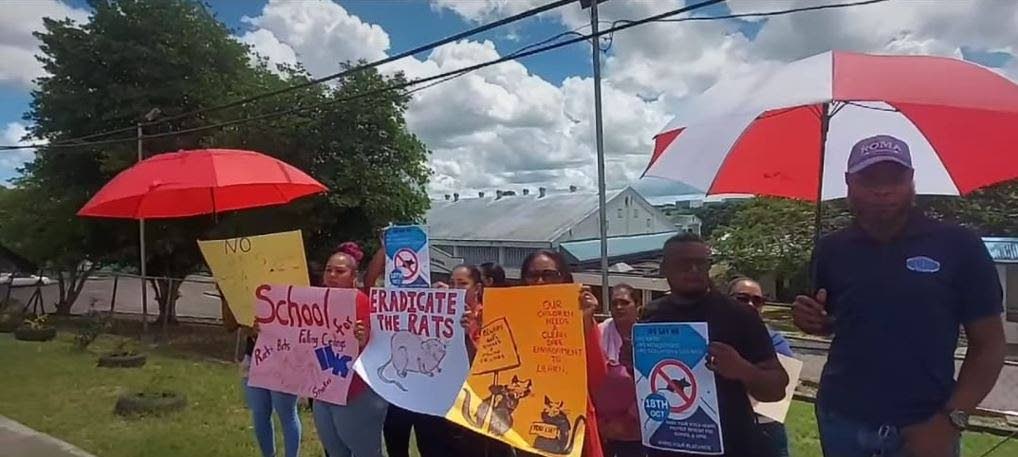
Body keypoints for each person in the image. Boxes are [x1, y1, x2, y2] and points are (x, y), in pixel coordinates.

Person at [793, 135, 1006, 457]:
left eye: (895, 178)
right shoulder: (831, 248)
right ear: (849, 182)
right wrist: (812, 321)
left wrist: (951, 420)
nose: (883, 190)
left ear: (911, 180)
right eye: (869, 179)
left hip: (926, 424)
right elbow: (837, 322)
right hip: (841, 419)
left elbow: (989, 344)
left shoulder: (959, 245)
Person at [641, 233, 788, 457]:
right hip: (665, 443)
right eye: (684, 263)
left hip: (731, 446)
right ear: (664, 269)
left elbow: (777, 389)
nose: (694, 270)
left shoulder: (740, 316)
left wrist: (743, 370)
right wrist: (633, 359)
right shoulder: (651, 315)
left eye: (701, 263)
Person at [469, 249, 607, 457]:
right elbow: (489, 370)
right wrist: (480, 330)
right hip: (524, 428)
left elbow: (597, 378)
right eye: (533, 276)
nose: (540, 281)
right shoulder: (510, 320)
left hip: (570, 427)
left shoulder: (581, 320)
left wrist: (585, 322)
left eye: (549, 274)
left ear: (565, 279)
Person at [313, 242, 389, 457]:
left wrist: (365, 340)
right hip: (323, 392)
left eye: (340, 271)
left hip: (357, 394)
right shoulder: (313, 303)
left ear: (353, 276)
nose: (332, 275)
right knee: (335, 452)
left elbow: (383, 350)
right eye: (328, 270)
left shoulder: (364, 303)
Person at [728, 277, 792, 457]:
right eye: (742, 298)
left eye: (757, 300)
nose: (750, 304)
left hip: (766, 430)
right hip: (723, 431)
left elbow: (777, 396)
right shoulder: (712, 335)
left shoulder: (775, 340)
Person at [595, 284, 645, 457]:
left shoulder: (650, 337)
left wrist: (628, 419)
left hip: (637, 425)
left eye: (624, 302)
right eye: (614, 303)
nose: (618, 307)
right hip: (602, 426)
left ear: (638, 305)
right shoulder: (599, 332)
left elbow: (652, 382)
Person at [241, 328, 302, 457]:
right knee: (259, 412)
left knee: (286, 413)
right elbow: (234, 319)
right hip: (255, 354)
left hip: (286, 356)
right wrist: (245, 325)